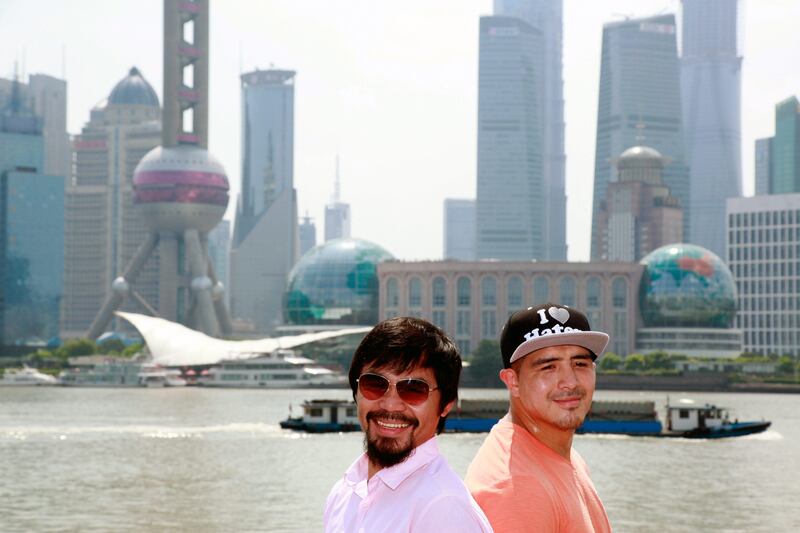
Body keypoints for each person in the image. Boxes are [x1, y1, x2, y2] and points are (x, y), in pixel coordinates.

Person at [324, 316, 492, 533]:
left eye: (414, 389)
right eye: (374, 384)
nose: (391, 405)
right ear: (356, 391)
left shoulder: (443, 509)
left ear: (445, 405)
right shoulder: (344, 492)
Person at [465, 303, 612, 533]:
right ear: (512, 381)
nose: (570, 381)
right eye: (549, 367)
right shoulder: (516, 489)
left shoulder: (563, 456)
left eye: (580, 364)